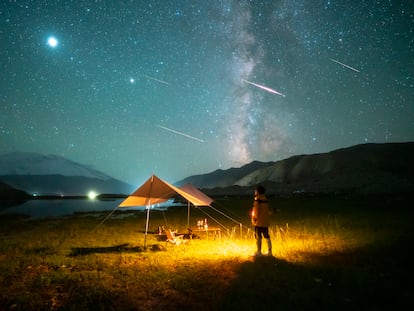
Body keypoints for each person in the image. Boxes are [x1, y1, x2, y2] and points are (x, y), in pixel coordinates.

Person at [251, 185, 273, 256]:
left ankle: (259, 252)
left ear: (258, 192)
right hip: (265, 222)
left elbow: (256, 211)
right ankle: (269, 252)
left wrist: (254, 219)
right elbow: (268, 211)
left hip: (259, 222)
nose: (254, 192)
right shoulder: (265, 200)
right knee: (266, 236)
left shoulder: (257, 200)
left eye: (255, 190)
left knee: (258, 236)